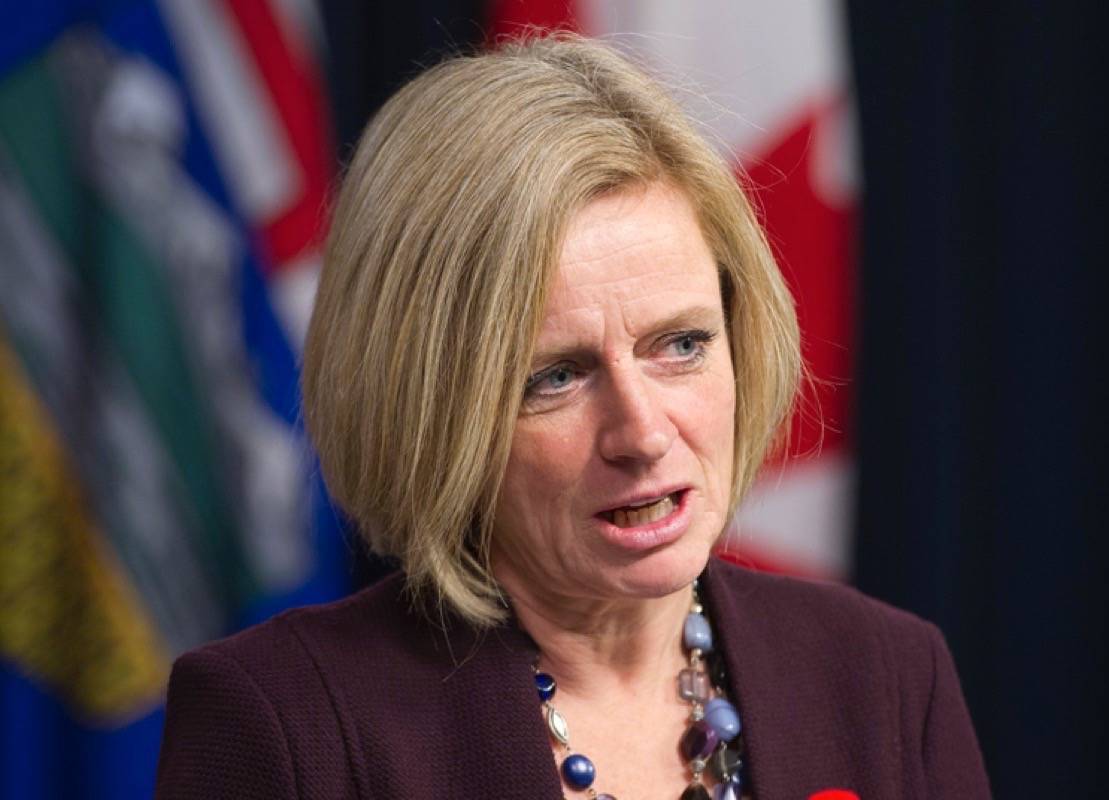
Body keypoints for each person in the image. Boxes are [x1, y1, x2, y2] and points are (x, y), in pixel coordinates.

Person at [154, 34, 991, 800]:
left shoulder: (885, 678)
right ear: (430, 407)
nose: (644, 434)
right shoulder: (285, 725)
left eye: (682, 345)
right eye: (556, 377)